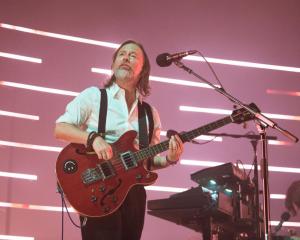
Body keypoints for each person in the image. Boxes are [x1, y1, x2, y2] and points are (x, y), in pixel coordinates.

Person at [54, 40, 184, 240]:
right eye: (121, 54)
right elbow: (60, 128)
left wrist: (169, 159)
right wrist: (92, 138)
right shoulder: (93, 97)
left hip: (133, 195)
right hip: (98, 188)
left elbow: (147, 162)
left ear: (143, 70)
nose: (126, 57)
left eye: (133, 55)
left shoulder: (150, 114)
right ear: (113, 65)